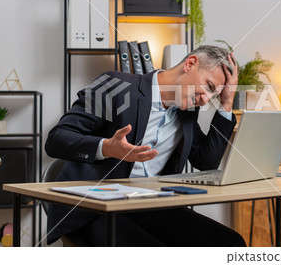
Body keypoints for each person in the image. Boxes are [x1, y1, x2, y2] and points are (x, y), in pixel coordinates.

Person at [45, 45, 246, 247]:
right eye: (209, 87)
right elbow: (56, 139)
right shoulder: (116, 85)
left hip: (150, 206)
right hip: (94, 209)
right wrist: (107, 147)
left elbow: (206, 162)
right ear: (190, 63)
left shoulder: (186, 113)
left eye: (214, 96)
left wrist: (226, 103)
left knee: (230, 242)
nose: (205, 101)